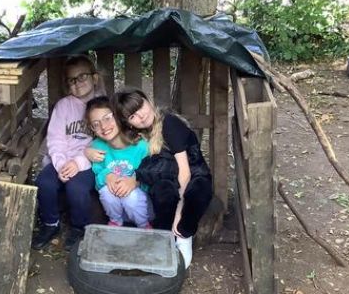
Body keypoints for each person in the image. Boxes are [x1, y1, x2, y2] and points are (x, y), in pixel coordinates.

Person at [112, 88, 213, 268]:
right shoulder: (140, 136)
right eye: (133, 116)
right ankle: (165, 237)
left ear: (148, 101)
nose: (141, 115)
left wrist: (180, 214)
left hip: (192, 174)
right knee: (162, 190)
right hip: (168, 177)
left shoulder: (169, 123)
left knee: (199, 190)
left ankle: (183, 234)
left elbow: (185, 172)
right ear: (128, 123)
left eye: (141, 106)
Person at [32, 55, 104, 251]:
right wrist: (61, 163)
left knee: (77, 188)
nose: (77, 83)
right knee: (44, 182)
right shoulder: (64, 106)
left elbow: (104, 141)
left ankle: (79, 227)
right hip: (62, 160)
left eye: (82, 77)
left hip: (89, 161)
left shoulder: (102, 106)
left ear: (94, 78)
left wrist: (78, 163)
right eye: (72, 80)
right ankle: (50, 224)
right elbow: (55, 139)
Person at [85, 96, 151, 228]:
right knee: (106, 192)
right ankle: (115, 222)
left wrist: (135, 182)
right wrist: (107, 176)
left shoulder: (141, 146)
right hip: (115, 207)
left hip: (142, 206)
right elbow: (98, 173)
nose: (103, 126)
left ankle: (144, 226)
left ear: (119, 116)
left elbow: (150, 177)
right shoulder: (97, 147)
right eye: (96, 124)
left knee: (131, 198)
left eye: (107, 118)